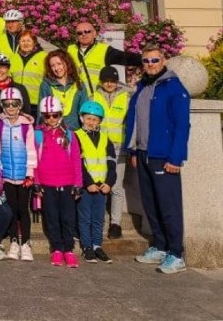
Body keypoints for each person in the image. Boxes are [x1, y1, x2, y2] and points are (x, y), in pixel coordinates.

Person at [125, 44, 191, 275]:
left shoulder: (174, 88)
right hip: (143, 153)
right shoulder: (143, 86)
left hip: (164, 156)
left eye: (154, 60)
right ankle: (161, 246)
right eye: (146, 61)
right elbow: (134, 120)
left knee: (168, 205)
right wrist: (133, 151)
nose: (150, 65)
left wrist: (176, 158)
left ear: (163, 61)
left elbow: (182, 125)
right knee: (151, 203)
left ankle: (176, 253)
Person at [33, 95, 83, 268]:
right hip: (47, 184)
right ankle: (56, 248)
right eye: (47, 116)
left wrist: (78, 183)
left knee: (68, 217)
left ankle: (68, 249)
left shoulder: (69, 135)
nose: (51, 119)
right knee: (52, 217)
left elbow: (76, 160)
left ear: (61, 114)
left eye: (55, 115)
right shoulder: (38, 135)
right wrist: (37, 182)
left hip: (67, 182)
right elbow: (34, 161)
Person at [0, 87, 36, 261]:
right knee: (11, 209)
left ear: (20, 105)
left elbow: (31, 150)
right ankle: (14, 241)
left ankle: (25, 243)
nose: (10, 107)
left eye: (14, 104)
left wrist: (29, 174)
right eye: (7, 104)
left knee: (23, 210)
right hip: (7, 175)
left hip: (24, 176)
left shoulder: (26, 127)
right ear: (2, 106)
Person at [91, 65, 131, 239]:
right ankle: (98, 220)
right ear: (101, 81)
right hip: (99, 147)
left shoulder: (126, 97)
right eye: (106, 80)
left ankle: (115, 223)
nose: (109, 84)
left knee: (116, 186)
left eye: (113, 81)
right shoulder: (93, 96)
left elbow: (131, 123)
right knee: (99, 183)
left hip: (119, 147)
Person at [75, 100, 116, 264]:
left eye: (95, 119)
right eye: (88, 118)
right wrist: (88, 182)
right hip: (87, 186)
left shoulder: (106, 138)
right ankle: (87, 247)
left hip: (102, 185)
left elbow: (112, 163)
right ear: (82, 118)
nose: (91, 122)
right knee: (85, 218)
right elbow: (78, 165)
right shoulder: (76, 136)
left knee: (99, 218)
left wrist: (109, 182)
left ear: (100, 121)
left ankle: (98, 245)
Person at [68, 21, 144, 97]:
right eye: (79, 33)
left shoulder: (104, 50)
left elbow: (127, 58)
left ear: (94, 33)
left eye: (87, 31)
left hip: (96, 97)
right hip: (75, 96)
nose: (83, 34)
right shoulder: (70, 50)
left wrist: (148, 59)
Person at [40, 49, 87, 132]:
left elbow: (84, 111)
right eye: (52, 65)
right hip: (53, 133)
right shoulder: (46, 85)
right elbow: (41, 113)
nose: (56, 68)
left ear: (67, 63)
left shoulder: (79, 84)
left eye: (59, 64)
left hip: (75, 133)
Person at [9, 30, 47, 105]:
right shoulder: (13, 58)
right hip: (17, 102)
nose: (25, 43)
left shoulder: (44, 57)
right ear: (19, 43)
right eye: (22, 41)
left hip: (36, 102)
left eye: (28, 41)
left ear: (34, 42)